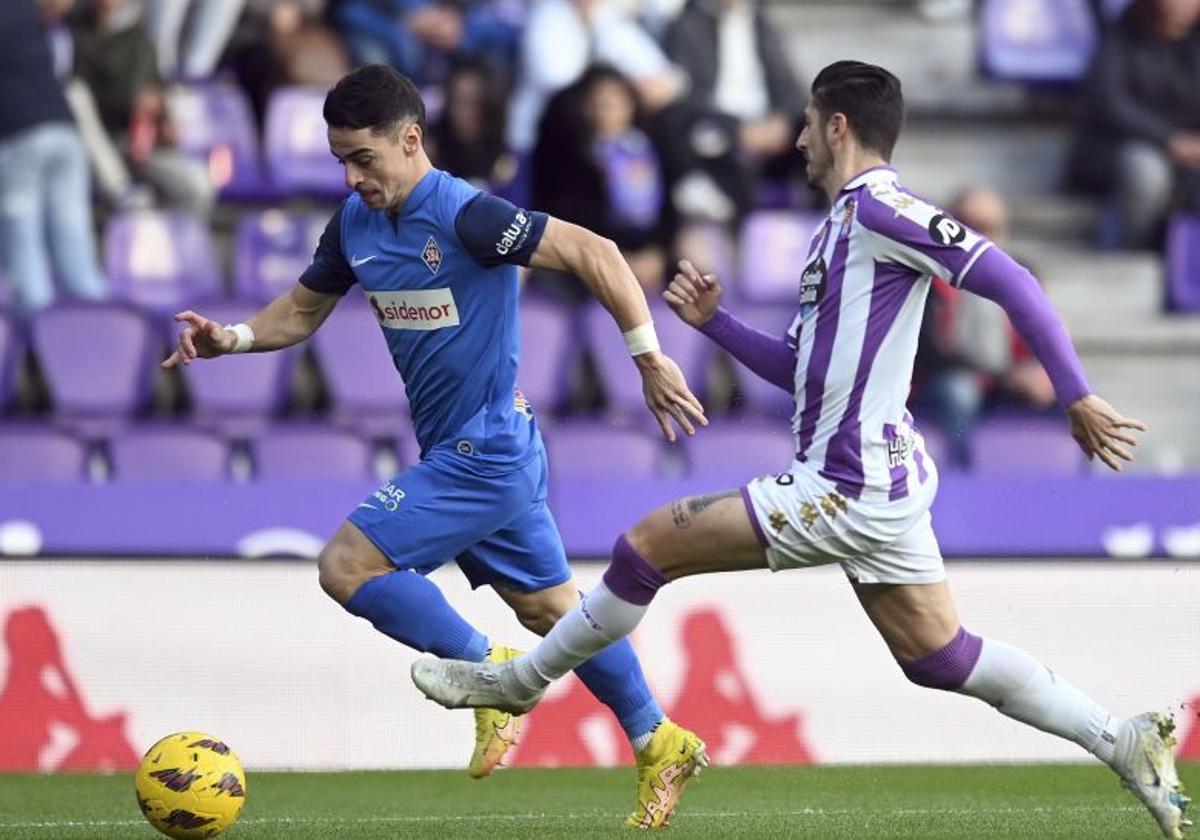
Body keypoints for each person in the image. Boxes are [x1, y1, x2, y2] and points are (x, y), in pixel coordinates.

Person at [411, 61, 1192, 840]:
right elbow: (804, 370)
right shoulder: (842, 229)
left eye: (809, 125)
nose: (798, 139)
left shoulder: (885, 210)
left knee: (645, 547)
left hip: (847, 483)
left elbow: (1011, 278)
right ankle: (1119, 738)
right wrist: (715, 323)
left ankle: (516, 683)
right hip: (877, 479)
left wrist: (1075, 393)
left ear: (838, 128)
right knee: (939, 656)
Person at [160, 64, 710, 828]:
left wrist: (649, 357)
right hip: (483, 450)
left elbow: (599, 253)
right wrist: (234, 339)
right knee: (555, 612)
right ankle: (661, 739)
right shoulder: (353, 225)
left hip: (483, 451)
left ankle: (488, 678)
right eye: (340, 161)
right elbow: (300, 310)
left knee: (347, 566)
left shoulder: (467, 217)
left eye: (364, 159)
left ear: (410, 140)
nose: (352, 177)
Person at [0, 0, 109, 316]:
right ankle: (103, 343)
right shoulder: (23, 7)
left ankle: (42, 356)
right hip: (65, 132)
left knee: (26, 263)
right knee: (79, 262)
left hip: (19, 136)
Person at [1070, 0, 1200, 249]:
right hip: (1121, 145)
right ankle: (1129, 251)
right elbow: (1109, 103)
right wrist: (1170, 140)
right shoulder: (1120, 35)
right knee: (1145, 171)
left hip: (1190, 152)